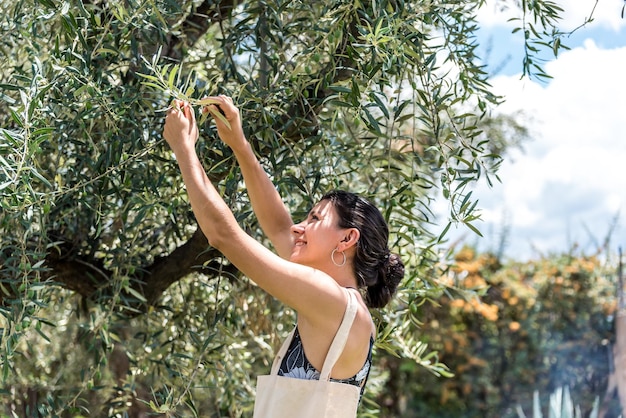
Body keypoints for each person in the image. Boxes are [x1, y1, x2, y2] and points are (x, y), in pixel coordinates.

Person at [162, 96, 404, 402]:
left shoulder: (332, 299)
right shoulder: (341, 304)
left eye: (315, 218)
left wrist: (184, 149)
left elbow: (223, 234)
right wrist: (239, 144)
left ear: (346, 240)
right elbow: (278, 225)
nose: (298, 227)